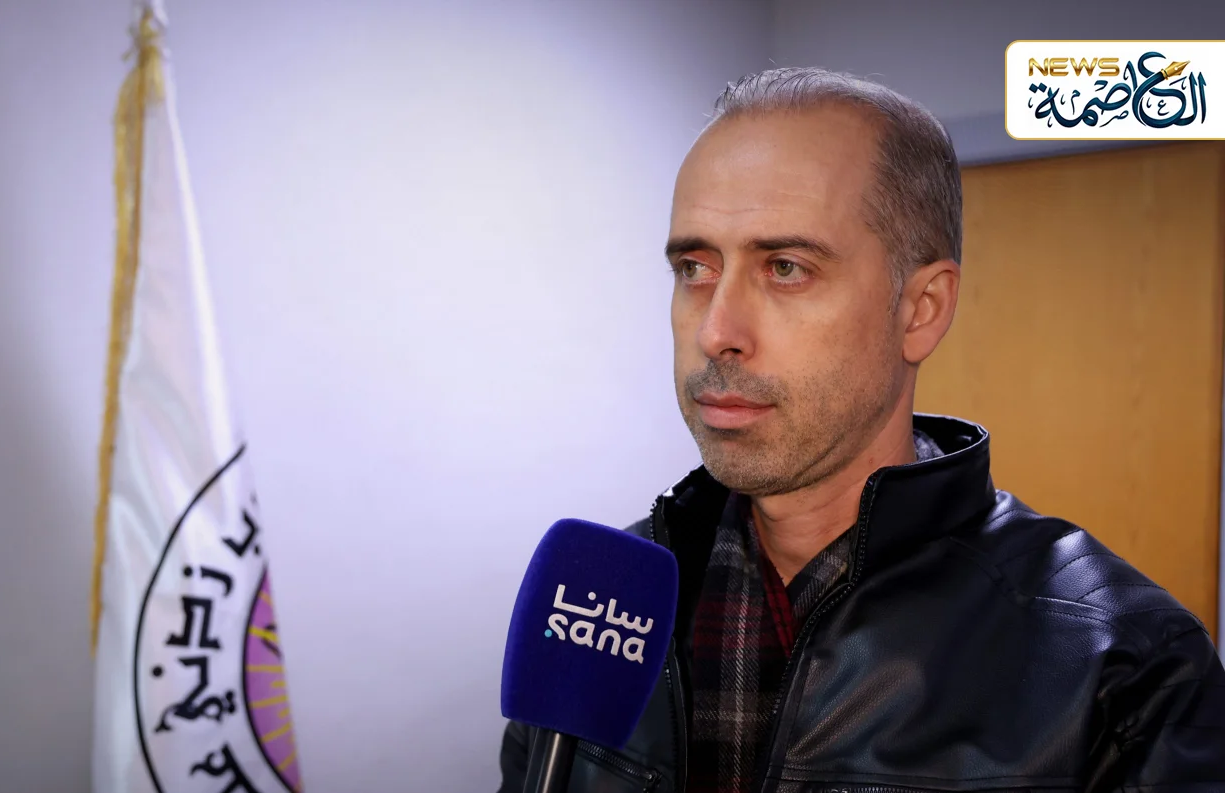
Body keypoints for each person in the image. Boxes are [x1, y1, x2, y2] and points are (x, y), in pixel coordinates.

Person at [497, 67, 1225, 793]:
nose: (716, 331)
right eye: (694, 267)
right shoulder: (595, 607)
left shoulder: (1126, 671)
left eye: (786, 268)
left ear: (921, 309)